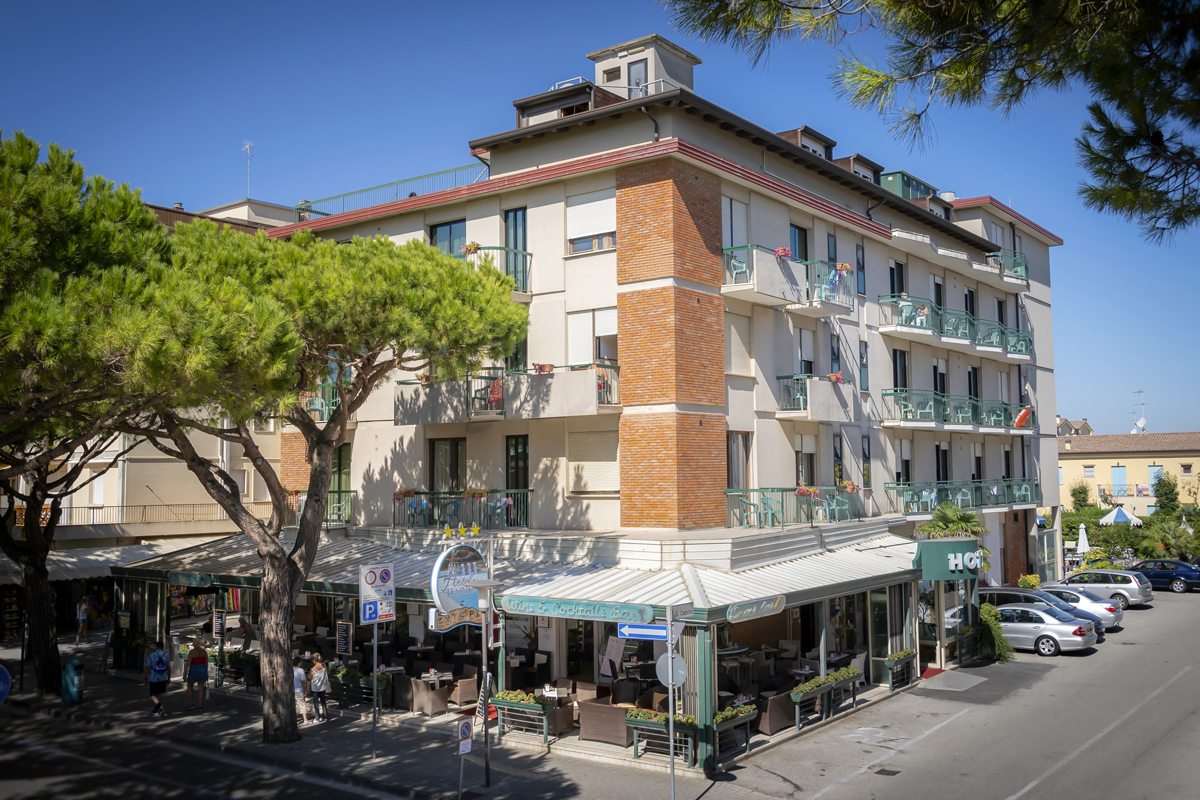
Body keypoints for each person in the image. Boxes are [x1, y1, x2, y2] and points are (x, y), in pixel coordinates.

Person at [143, 641, 171, 716]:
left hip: (154, 678)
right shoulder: (166, 656)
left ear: (156, 647)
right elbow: (169, 668)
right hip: (163, 678)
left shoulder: (151, 655)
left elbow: (148, 667)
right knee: (159, 693)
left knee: (152, 694)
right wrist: (169, 678)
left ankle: (159, 706)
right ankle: (157, 710)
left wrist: (145, 677)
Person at [186, 638, 209, 711]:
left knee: (190, 686)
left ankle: (191, 703)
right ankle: (200, 706)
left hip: (194, 669)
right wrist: (205, 671)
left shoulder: (192, 652)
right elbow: (206, 663)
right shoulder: (204, 652)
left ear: (194, 644)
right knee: (201, 688)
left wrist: (184, 672)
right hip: (202, 669)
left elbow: (188, 663)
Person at [309, 653, 329, 723]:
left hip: (315, 688)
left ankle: (317, 717)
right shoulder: (324, 666)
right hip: (322, 687)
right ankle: (325, 716)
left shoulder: (313, 669)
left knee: (316, 703)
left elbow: (310, 678)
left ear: (314, 660)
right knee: (323, 702)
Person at [293, 656, 310, 725]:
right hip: (299, 690)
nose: (301, 664)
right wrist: (305, 690)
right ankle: (305, 720)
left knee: (292, 705)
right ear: (298, 663)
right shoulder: (301, 670)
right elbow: (303, 681)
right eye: (301, 663)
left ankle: (294, 719)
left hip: (292, 690)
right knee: (302, 704)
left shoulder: (289, 669)